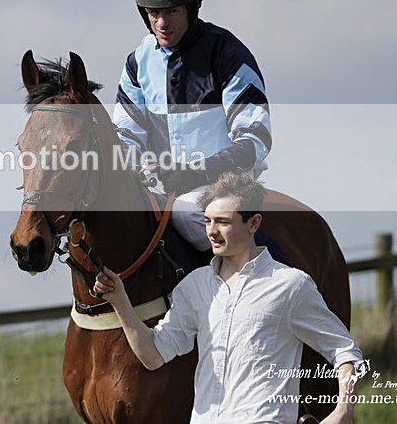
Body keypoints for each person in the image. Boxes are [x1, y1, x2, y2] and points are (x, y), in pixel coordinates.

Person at [93, 172, 364, 424]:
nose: (211, 231)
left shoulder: (291, 285)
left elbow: (345, 351)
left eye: (223, 222)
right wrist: (120, 301)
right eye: (208, 220)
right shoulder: (194, 287)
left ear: (253, 223)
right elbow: (153, 356)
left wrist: (342, 409)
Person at [113, 0, 272, 251]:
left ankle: (264, 276)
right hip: (159, 185)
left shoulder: (227, 53)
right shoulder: (137, 61)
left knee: (187, 215)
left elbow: (255, 137)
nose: (162, 22)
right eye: (153, 12)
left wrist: (197, 171)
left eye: (171, 11)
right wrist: (134, 168)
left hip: (224, 187)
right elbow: (125, 134)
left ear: (191, 8)